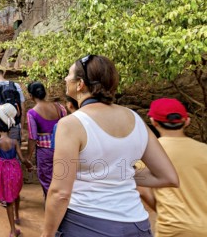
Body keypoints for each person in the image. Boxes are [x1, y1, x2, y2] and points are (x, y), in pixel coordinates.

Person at [41, 55, 179, 237]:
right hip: (137, 225)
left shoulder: (71, 124)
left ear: (80, 83)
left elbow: (60, 193)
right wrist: (119, 174)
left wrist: (47, 234)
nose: (66, 79)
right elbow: (168, 177)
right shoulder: (135, 119)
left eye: (69, 74)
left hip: (86, 223)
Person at [137, 98, 207, 237]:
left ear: (153, 121)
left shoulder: (149, 152)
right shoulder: (204, 150)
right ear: (187, 121)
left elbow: (143, 190)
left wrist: (164, 210)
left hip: (172, 228)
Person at [0, 104, 33, 237]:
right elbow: (22, 159)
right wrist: (28, 165)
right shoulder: (14, 141)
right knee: (16, 193)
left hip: (3, 172)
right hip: (15, 170)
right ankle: (17, 216)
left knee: (8, 199)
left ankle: (12, 230)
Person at [26, 81, 66, 198]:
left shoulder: (32, 113)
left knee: (47, 181)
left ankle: (52, 208)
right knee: (61, 178)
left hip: (45, 151)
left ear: (31, 96)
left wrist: (28, 157)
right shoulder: (60, 107)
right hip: (61, 147)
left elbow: (32, 137)